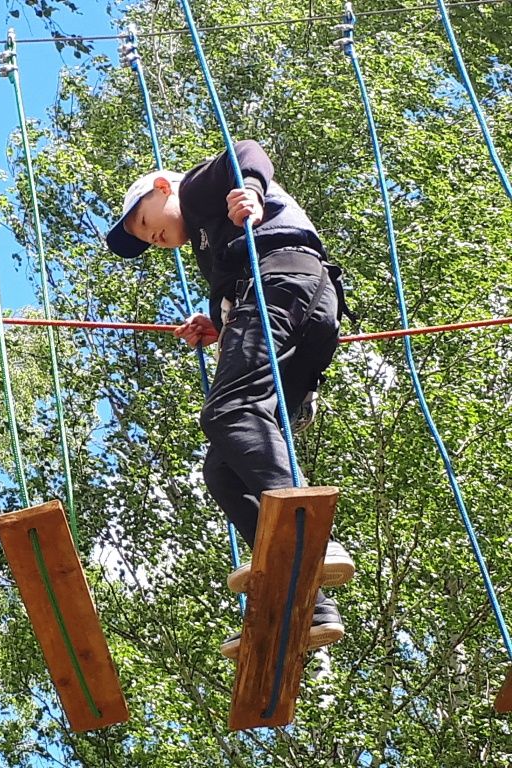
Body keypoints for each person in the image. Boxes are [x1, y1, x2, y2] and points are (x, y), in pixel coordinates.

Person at [105, 140, 354, 658]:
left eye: (144, 221)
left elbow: (247, 150)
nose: (150, 237)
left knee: (228, 410)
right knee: (220, 469)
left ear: (161, 188)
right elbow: (235, 277)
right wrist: (217, 323)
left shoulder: (196, 192)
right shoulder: (209, 240)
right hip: (303, 306)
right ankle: (307, 601)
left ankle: (308, 540)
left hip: (284, 282)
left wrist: (253, 195)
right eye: (143, 239)